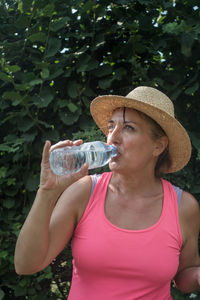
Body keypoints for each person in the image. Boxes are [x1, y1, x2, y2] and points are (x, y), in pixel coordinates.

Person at [14, 86, 200, 300]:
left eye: (129, 128)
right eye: (111, 127)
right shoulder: (84, 192)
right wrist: (47, 192)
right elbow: (25, 264)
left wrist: (196, 275)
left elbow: (185, 277)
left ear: (158, 146)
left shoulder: (183, 207)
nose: (113, 138)